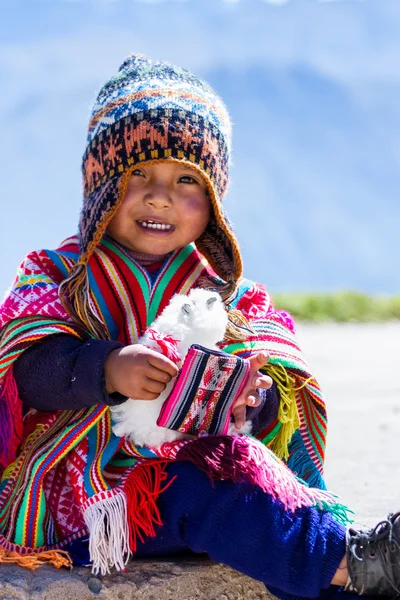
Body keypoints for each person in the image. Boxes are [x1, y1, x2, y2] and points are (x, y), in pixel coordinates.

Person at [0, 54, 399, 599]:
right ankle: (353, 566)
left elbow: (281, 396)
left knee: (252, 482)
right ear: (100, 184)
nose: (159, 194)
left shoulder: (228, 292)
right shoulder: (60, 275)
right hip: (93, 504)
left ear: (213, 198)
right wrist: (108, 367)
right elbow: (23, 368)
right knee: (205, 491)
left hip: (203, 469)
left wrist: (251, 401)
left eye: (186, 178)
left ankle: (355, 571)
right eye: (137, 173)